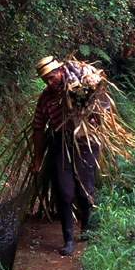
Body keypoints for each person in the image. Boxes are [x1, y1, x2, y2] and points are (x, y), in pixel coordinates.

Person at [30, 56, 100, 256]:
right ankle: (68, 239)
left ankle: (85, 227)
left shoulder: (78, 84)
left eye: (51, 77)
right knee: (65, 192)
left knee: (85, 190)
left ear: (60, 71)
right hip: (60, 143)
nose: (49, 83)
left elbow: (97, 107)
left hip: (85, 142)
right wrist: (37, 158)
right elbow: (38, 128)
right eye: (45, 80)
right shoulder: (45, 98)